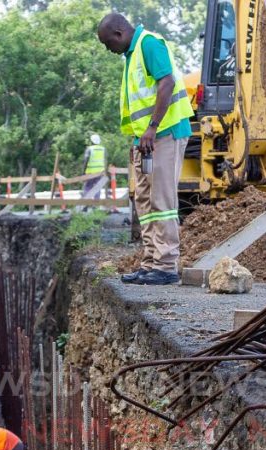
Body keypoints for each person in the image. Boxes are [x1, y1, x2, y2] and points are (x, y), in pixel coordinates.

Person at [98, 13, 194, 286]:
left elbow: (167, 82)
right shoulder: (132, 54)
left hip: (165, 133)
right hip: (146, 140)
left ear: (118, 33)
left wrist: (152, 127)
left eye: (108, 44)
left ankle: (166, 265)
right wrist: (139, 137)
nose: (109, 50)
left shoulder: (149, 44)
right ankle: (151, 262)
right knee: (145, 200)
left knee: (162, 200)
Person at [82, 133, 108, 198]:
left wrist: (83, 172)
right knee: (97, 187)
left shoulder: (89, 149)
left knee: (88, 187)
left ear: (91, 141)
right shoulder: (103, 149)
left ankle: (86, 204)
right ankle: (96, 205)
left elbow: (85, 161)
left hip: (90, 172)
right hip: (100, 172)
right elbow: (105, 161)